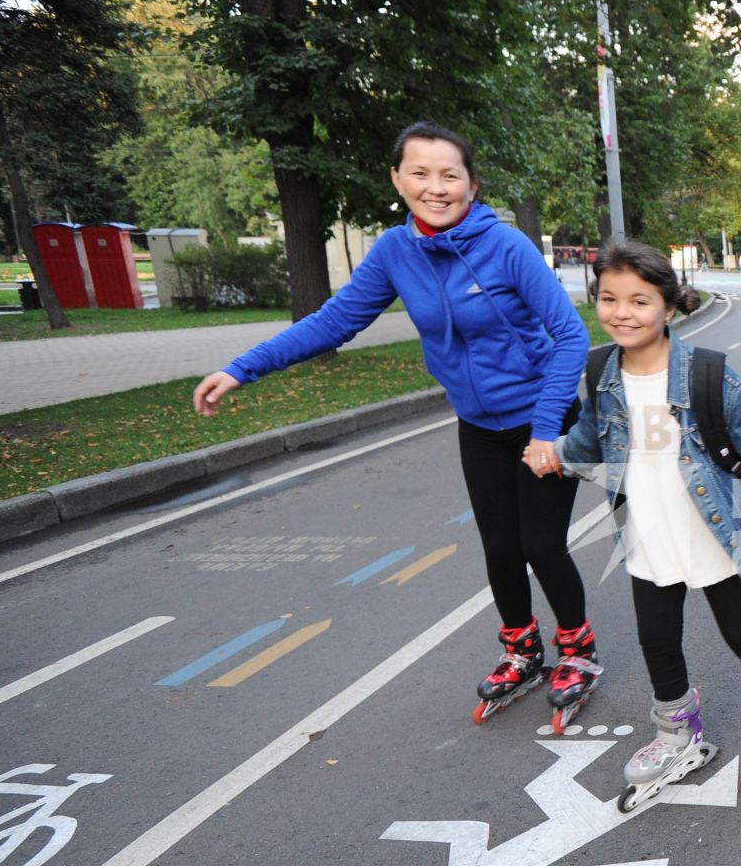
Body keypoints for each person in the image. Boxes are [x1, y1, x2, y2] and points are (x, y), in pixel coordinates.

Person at [192, 121, 596, 725]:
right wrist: (242, 368)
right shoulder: (394, 252)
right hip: (479, 424)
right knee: (499, 550)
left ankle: (578, 651)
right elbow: (334, 322)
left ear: (471, 182)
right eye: (420, 173)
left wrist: (544, 432)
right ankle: (522, 649)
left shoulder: (505, 247)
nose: (436, 187)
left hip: (545, 417)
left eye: (449, 175)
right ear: (397, 179)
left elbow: (570, 337)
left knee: (540, 544)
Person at [548, 240, 741, 808]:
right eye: (608, 298)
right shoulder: (600, 371)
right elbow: (588, 440)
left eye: (639, 301)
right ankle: (678, 734)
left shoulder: (708, 377)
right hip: (648, 536)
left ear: (669, 308)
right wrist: (553, 453)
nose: (621, 312)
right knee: (656, 639)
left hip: (713, 534)